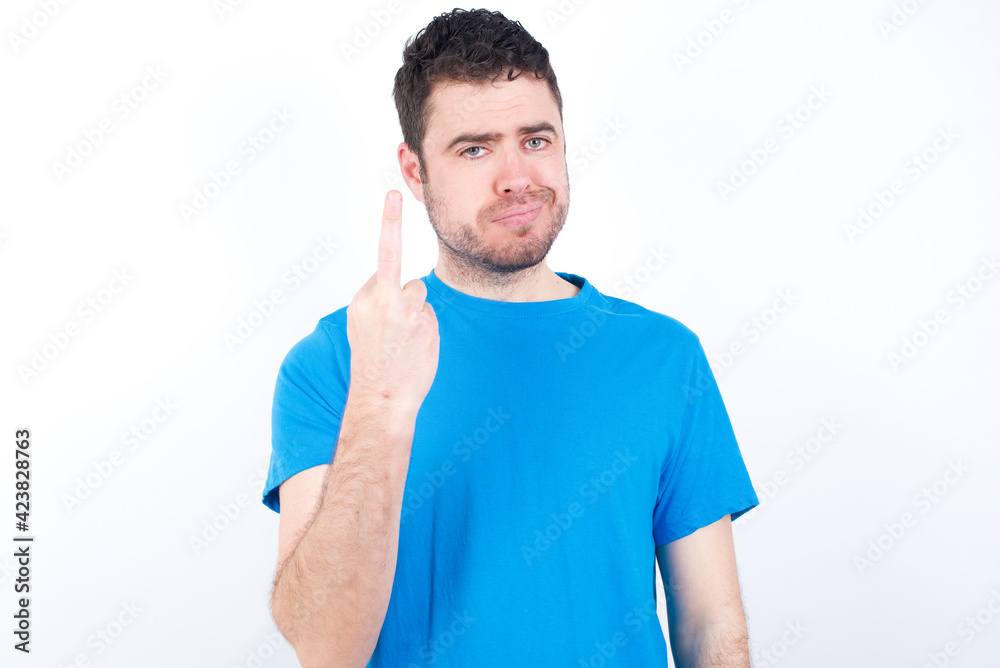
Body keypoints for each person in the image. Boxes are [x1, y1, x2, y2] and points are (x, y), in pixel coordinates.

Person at [263, 8, 759, 667]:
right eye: (474, 149)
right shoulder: (335, 361)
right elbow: (325, 647)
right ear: (415, 171)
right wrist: (379, 404)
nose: (517, 178)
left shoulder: (665, 358)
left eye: (535, 140)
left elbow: (710, 626)